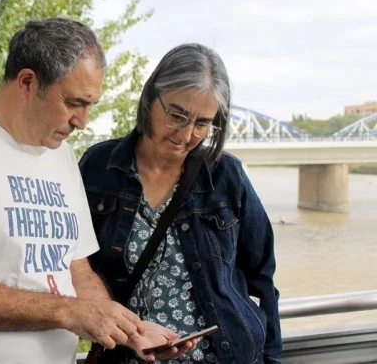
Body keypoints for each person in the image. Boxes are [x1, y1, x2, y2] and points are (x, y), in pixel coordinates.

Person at [0, 18, 193, 364]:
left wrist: (130, 330)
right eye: (74, 102)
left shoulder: (60, 155)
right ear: (27, 82)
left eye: (90, 105)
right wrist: (67, 312)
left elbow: (76, 270)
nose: (82, 121)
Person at [78, 43, 282, 364]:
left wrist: (271, 360)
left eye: (202, 123)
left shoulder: (228, 175)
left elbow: (262, 280)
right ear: (150, 99)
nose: (186, 135)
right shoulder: (99, 167)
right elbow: (75, 265)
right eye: (177, 115)